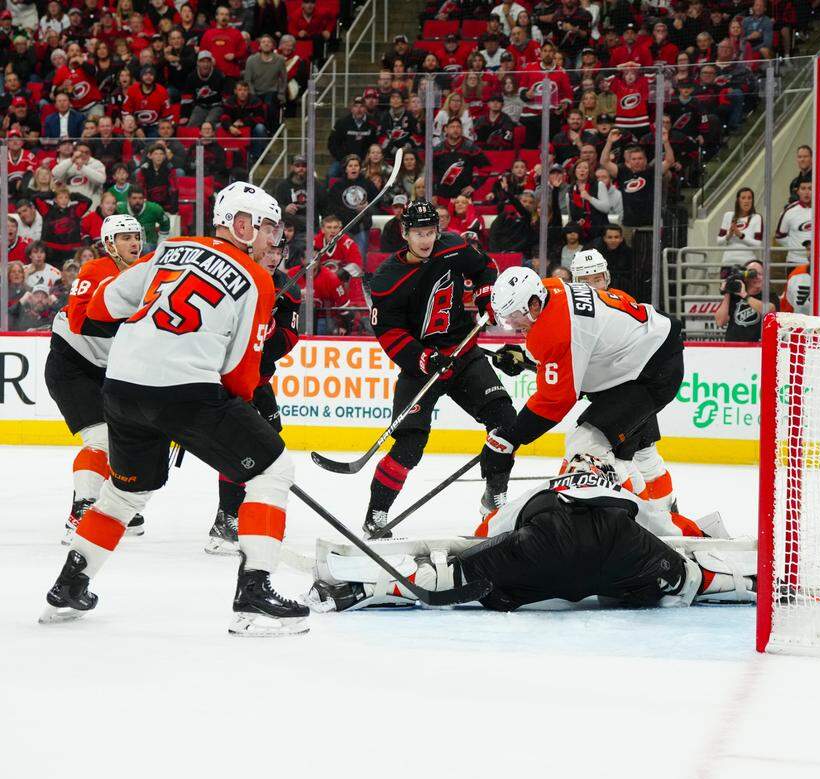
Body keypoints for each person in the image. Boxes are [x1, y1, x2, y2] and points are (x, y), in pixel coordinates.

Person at [39, 182, 310, 636]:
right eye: (268, 228)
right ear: (241, 226)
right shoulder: (257, 279)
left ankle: (70, 584)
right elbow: (240, 376)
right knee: (273, 469)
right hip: (185, 391)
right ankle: (255, 593)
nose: (275, 239)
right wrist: (208, 416)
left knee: (126, 492)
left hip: (121, 389)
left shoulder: (170, 249)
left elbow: (102, 305)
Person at [305, 454, 753, 613]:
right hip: (621, 547)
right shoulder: (621, 490)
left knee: (451, 576)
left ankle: (360, 589)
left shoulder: (548, 487)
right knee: (687, 576)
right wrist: (687, 559)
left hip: (548, 545)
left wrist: (471, 564)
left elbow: (487, 533)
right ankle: (749, 586)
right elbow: (671, 533)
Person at [481, 267, 697, 533]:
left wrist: (511, 437)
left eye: (515, 316)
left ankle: (654, 527)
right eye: (506, 318)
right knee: (634, 454)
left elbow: (555, 400)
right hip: (643, 351)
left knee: (586, 446)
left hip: (650, 372)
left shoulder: (556, 328)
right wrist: (527, 357)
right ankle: (662, 516)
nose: (512, 324)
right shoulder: (551, 288)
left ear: (534, 304)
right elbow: (576, 350)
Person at [364, 200, 514, 537]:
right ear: (405, 233)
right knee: (409, 445)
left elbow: (486, 268)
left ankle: (494, 495)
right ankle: (376, 515)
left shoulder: (454, 248)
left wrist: (487, 298)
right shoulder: (388, 277)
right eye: (418, 232)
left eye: (430, 231)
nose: (425, 239)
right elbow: (388, 332)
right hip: (422, 367)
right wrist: (422, 358)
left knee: (505, 422)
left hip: (463, 355)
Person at [44, 215, 147, 543]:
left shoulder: (147, 274)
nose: (134, 242)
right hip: (70, 366)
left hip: (108, 370)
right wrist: (131, 328)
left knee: (129, 438)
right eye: (125, 237)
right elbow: (78, 321)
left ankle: (112, 505)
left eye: (136, 236)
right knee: (101, 439)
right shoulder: (94, 270)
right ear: (108, 244)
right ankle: (82, 511)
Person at [559, 248, 682, 512]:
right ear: (575, 284)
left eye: (598, 279)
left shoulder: (594, 314)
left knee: (625, 458)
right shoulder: (617, 302)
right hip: (633, 394)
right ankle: (662, 512)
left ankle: (652, 515)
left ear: (608, 277)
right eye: (586, 281)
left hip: (627, 395)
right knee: (641, 457)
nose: (594, 286)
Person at [205, 231, 300, 555]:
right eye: (269, 249)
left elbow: (286, 341)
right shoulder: (237, 280)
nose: (274, 256)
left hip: (258, 383)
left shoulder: (289, 288)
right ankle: (227, 517)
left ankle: (246, 516)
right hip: (227, 380)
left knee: (269, 448)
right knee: (239, 448)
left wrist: (267, 327)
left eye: (279, 250)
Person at [775, 181, 820, 265]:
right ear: (797, 191)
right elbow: (779, 236)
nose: (807, 192)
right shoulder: (789, 211)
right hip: (795, 261)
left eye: (810, 189)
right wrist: (796, 247)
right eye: (803, 189)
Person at [715, 260, 774, 341]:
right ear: (745, 277)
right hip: (733, 347)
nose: (757, 277)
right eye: (752, 274)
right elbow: (720, 322)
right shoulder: (735, 296)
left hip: (757, 347)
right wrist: (727, 292)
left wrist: (745, 295)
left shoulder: (769, 295)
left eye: (760, 274)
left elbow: (769, 311)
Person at [716, 187, 764, 268]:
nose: (746, 201)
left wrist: (741, 235)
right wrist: (729, 235)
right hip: (728, 263)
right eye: (743, 198)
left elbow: (758, 244)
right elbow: (719, 241)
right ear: (738, 200)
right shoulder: (728, 216)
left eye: (749, 198)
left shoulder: (757, 217)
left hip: (748, 264)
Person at [117, 185, 171, 252]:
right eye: (134, 198)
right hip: (127, 244)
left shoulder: (155, 209)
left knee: (144, 248)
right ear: (128, 199)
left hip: (149, 245)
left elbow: (165, 224)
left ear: (144, 199)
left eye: (140, 198)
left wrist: (161, 244)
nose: (138, 201)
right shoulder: (120, 209)